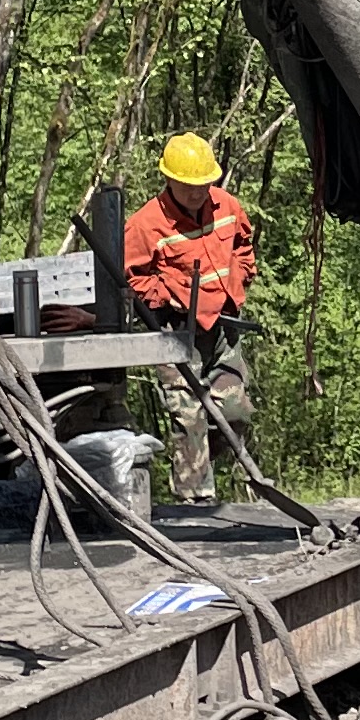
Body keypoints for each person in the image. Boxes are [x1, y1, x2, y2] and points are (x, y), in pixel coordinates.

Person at [123, 133, 255, 504]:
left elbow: (244, 248)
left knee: (235, 411)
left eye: (204, 184)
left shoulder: (227, 207)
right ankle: (194, 497)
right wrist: (167, 294)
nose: (198, 193)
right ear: (170, 180)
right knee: (187, 415)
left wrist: (240, 276)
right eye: (189, 186)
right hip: (175, 331)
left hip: (223, 328)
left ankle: (199, 466)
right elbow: (129, 278)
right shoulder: (145, 225)